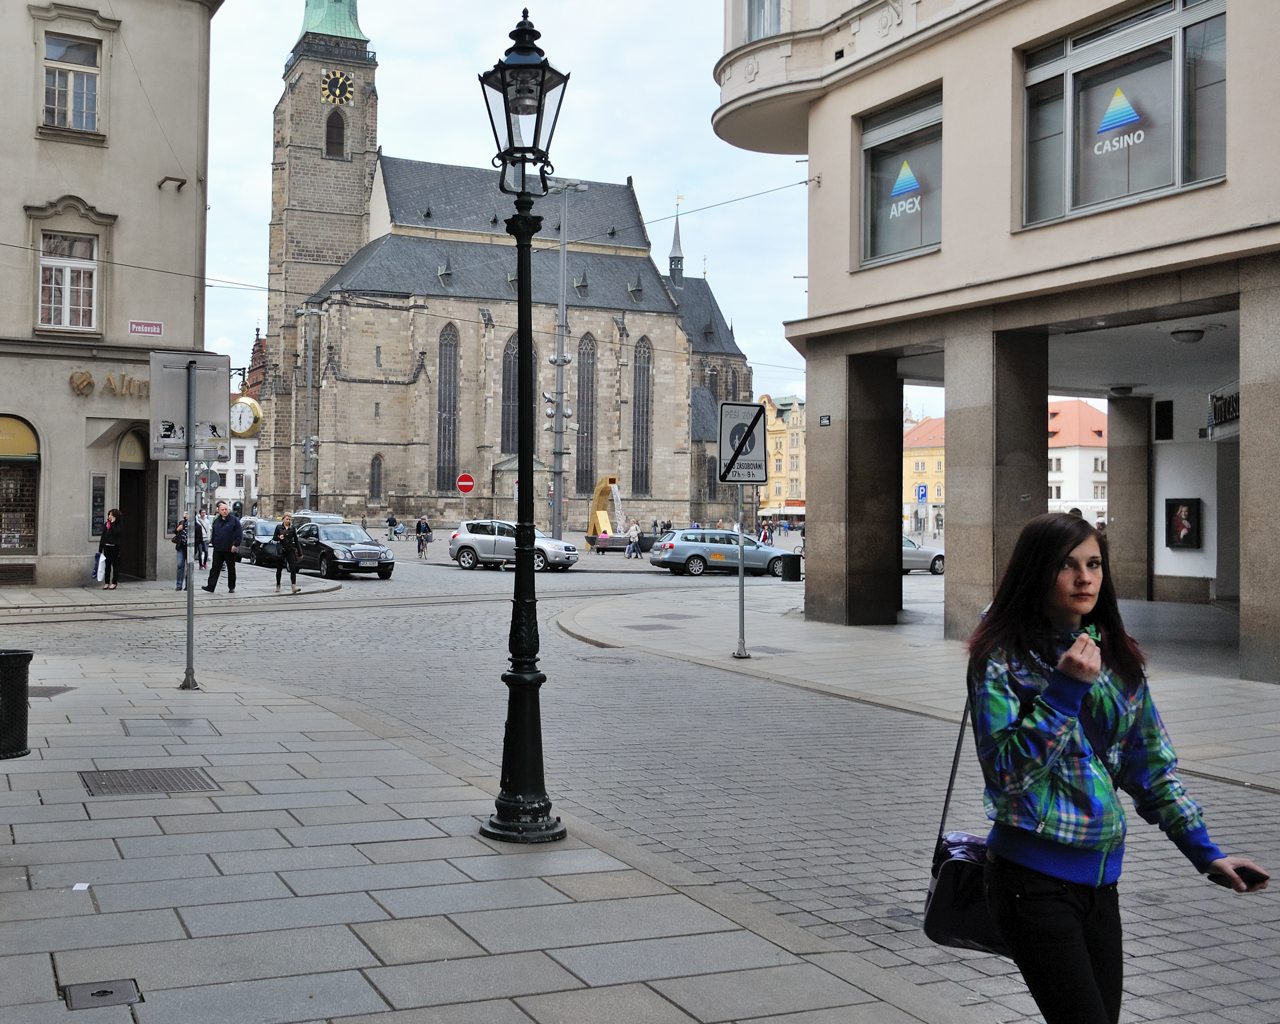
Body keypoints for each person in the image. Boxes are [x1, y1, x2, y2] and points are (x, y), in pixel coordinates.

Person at [968, 513, 1268, 1024]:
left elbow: (1150, 767)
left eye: (1094, 564)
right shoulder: (1001, 658)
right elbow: (1007, 774)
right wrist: (1065, 691)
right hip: (1030, 881)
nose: (1084, 578)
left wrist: (1205, 853)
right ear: (1037, 571)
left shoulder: (1114, 657)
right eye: (1067, 565)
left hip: (1101, 884)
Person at [202, 500, 242, 594]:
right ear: (219, 511)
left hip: (230, 549)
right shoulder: (217, 521)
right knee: (215, 568)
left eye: (226, 509)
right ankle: (210, 586)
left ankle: (231, 587)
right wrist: (214, 543)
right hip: (218, 549)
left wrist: (235, 544)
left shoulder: (234, 520)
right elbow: (214, 533)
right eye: (222, 510)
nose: (224, 511)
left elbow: (239, 534)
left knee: (231, 568)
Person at [272, 513, 302, 594]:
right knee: (279, 569)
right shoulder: (278, 527)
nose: (288, 520)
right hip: (281, 550)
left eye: (289, 519)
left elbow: (296, 540)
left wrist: (300, 553)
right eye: (287, 519)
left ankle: (294, 586)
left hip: (290, 550)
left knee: (293, 568)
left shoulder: (292, 528)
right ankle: (278, 585)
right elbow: (274, 538)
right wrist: (279, 537)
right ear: (283, 519)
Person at [98, 508, 121, 589]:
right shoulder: (106, 524)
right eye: (109, 515)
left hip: (115, 547)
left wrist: (112, 524)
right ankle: (107, 582)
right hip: (106, 546)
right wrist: (100, 548)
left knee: (115, 565)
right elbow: (103, 536)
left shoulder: (118, 524)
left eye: (111, 515)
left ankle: (114, 582)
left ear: (116, 516)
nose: (110, 516)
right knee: (107, 565)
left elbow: (116, 533)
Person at [172, 512, 193, 590]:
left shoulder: (195, 525)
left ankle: (188, 585)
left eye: (187, 513)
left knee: (189, 567)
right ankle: (179, 585)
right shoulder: (181, 523)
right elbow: (175, 531)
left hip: (190, 548)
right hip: (181, 547)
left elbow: (199, 538)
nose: (185, 515)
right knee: (180, 565)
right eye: (185, 513)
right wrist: (177, 529)